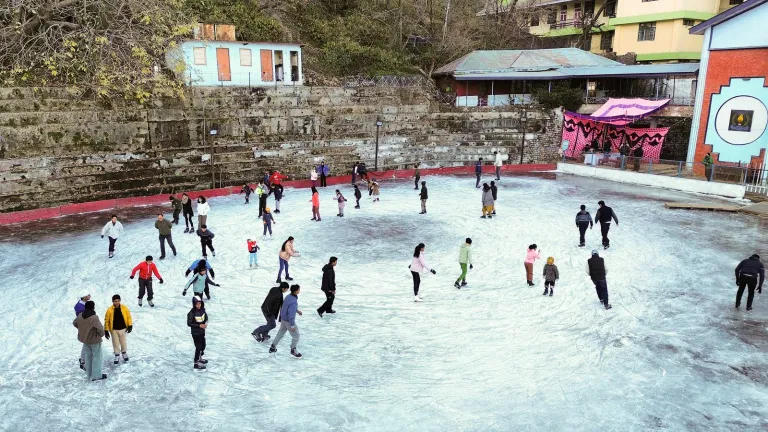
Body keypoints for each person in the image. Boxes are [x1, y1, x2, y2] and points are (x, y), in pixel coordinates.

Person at [73, 300, 107, 381]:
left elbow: (74, 323)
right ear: (93, 307)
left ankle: (89, 374)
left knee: (88, 357)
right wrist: (101, 334)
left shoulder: (80, 315)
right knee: (96, 358)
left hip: (85, 340)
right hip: (94, 340)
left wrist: (82, 329)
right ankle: (96, 376)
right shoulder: (94, 317)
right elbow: (100, 329)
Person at [269, 284, 303, 358]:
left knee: (280, 333)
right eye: (298, 290)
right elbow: (291, 315)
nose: (299, 291)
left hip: (283, 318)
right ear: (295, 291)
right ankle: (293, 350)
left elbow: (287, 307)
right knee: (296, 336)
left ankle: (273, 346)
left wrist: (297, 311)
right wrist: (292, 325)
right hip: (288, 321)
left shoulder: (288, 296)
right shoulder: (293, 301)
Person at [104, 295, 133, 365]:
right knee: (115, 343)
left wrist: (130, 325)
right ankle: (117, 355)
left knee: (123, 342)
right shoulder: (109, 310)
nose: (117, 302)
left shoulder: (124, 308)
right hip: (114, 330)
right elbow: (107, 320)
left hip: (123, 329)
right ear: (112, 301)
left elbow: (129, 317)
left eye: (118, 301)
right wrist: (106, 330)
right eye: (115, 301)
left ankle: (124, 353)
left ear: (120, 301)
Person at [187, 296, 208, 370]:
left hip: (202, 332)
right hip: (195, 333)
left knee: (203, 346)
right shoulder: (191, 313)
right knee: (198, 347)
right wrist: (199, 325)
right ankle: (196, 363)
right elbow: (189, 323)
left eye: (199, 303)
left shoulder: (202, 310)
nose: (198, 305)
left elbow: (206, 317)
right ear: (194, 304)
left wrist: (206, 322)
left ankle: (200, 357)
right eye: (197, 304)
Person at [74, 292, 91, 370]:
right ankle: (83, 361)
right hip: (85, 327)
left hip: (88, 326)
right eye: (88, 295)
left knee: (87, 343)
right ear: (83, 296)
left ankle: (83, 359)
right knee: (87, 343)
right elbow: (82, 318)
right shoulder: (80, 307)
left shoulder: (84, 304)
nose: (89, 296)